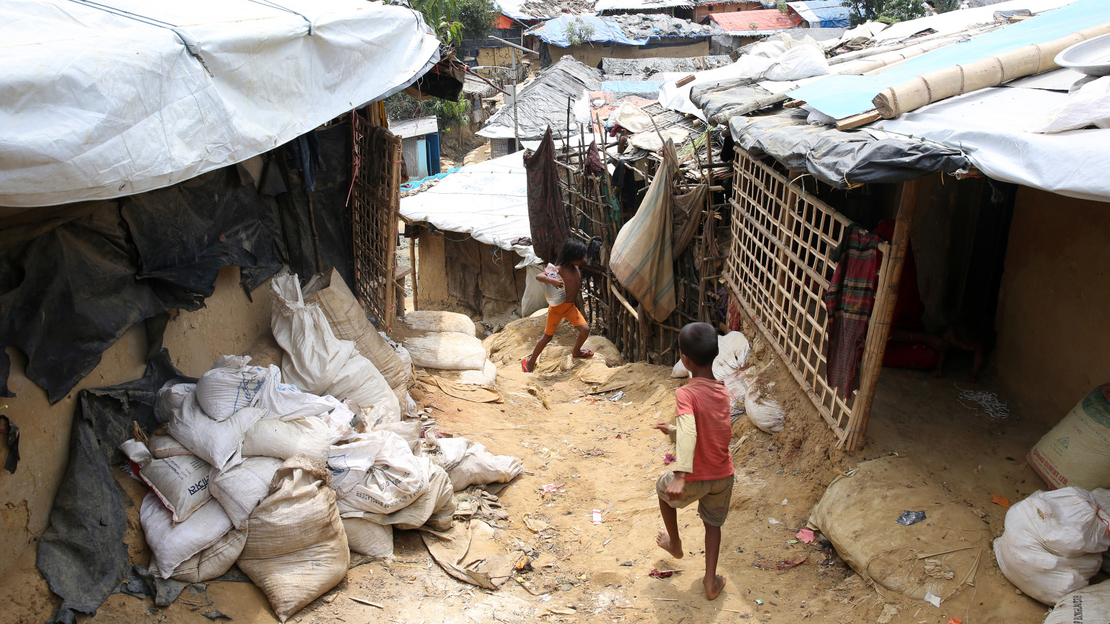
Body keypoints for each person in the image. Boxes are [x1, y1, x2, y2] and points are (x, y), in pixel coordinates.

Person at [651, 322, 733, 600]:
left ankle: (674, 543)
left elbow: (690, 429)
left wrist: (680, 474)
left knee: (662, 491)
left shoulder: (685, 393)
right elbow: (705, 429)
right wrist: (673, 432)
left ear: (684, 360)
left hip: (695, 476)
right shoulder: (723, 392)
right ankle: (710, 582)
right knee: (713, 526)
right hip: (722, 476)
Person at [522, 239, 593, 372]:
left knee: (585, 330)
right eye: (581, 256)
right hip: (557, 309)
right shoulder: (559, 269)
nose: (584, 259)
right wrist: (552, 280)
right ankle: (530, 362)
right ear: (572, 257)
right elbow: (539, 276)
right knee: (547, 337)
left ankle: (576, 351)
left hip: (570, 307)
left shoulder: (576, 267)